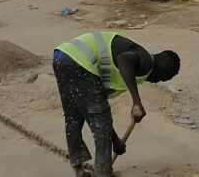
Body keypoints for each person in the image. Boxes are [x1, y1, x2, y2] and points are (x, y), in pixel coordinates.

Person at [53, 31, 180, 177]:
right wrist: (136, 102)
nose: (158, 82)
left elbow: (99, 109)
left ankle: (79, 171)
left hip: (62, 56)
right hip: (80, 62)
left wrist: (116, 142)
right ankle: (103, 173)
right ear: (163, 70)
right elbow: (124, 59)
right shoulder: (147, 62)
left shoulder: (136, 58)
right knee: (100, 123)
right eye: (163, 79)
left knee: (74, 116)